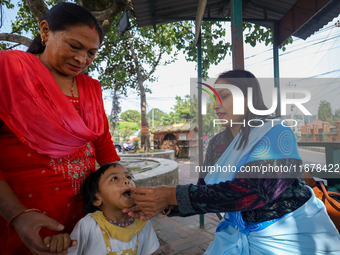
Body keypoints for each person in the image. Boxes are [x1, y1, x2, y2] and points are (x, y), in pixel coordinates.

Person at [124, 70, 340, 254]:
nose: (216, 105)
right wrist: (164, 204)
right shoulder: (217, 143)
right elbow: (205, 191)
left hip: (291, 238)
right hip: (238, 234)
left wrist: (171, 195)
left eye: (224, 96)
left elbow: (254, 192)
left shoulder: (277, 132)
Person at [0, 2, 120, 255]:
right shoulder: (7, 72)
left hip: (82, 207)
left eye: (91, 53)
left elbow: (102, 142)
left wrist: (124, 187)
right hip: (21, 208)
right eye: (74, 46)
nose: (81, 59)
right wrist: (17, 215)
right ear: (45, 31)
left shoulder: (91, 87)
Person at [44, 163, 159, 254]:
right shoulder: (87, 225)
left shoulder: (143, 222)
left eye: (128, 176)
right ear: (96, 199)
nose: (126, 180)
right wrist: (59, 245)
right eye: (114, 178)